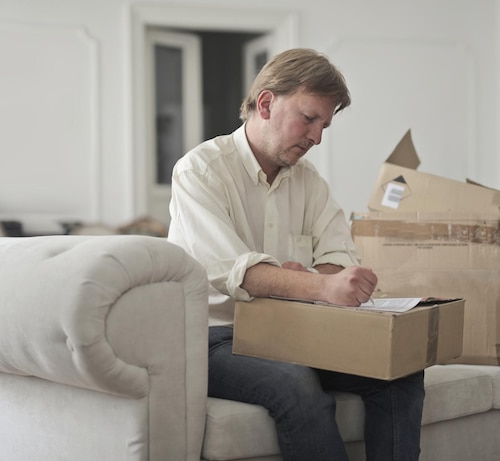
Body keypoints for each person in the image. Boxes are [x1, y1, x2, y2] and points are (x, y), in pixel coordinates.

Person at [167, 48, 425, 461]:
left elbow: (339, 254)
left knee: (399, 371)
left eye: (325, 124)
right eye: (309, 118)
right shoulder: (200, 171)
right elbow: (236, 272)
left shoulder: (309, 182)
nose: (317, 137)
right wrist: (316, 284)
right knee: (294, 383)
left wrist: (314, 280)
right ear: (266, 103)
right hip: (215, 339)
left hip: (293, 331)